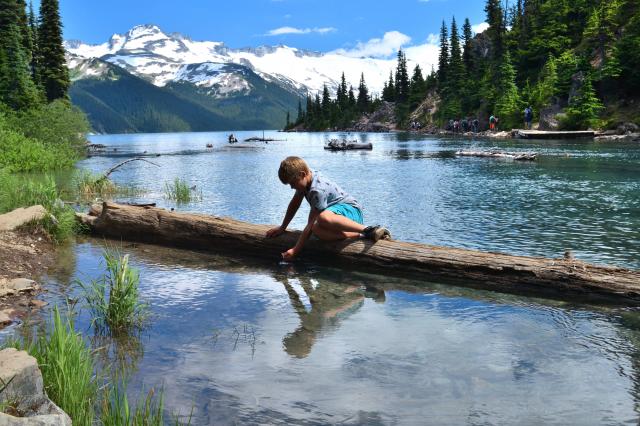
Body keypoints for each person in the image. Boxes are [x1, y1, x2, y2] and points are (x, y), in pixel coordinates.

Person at [266, 156, 391, 260]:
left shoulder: (317, 190)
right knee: (316, 229)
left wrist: (296, 250)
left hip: (351, 211)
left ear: (302, 174)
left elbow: (309, 223)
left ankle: (370, 230)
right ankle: (359, 235)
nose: (292, 187)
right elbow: (294, 204)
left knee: (321, 218)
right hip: (337, 217)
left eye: (292, 183)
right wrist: (283, 227)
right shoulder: (305, 181)